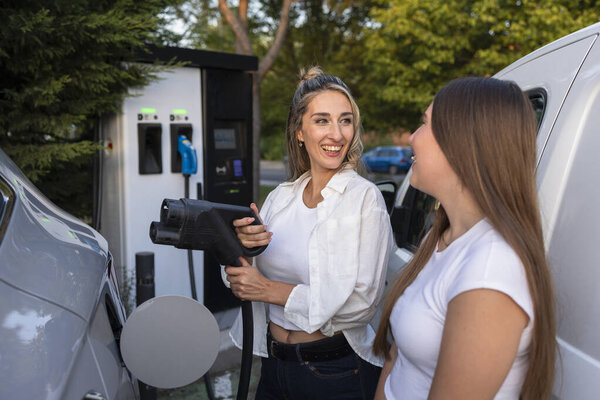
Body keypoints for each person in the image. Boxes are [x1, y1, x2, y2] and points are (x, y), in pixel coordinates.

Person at [373, 77, 557, 400]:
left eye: (424, 124)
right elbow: (396, 359)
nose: (413, 138)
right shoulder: (441, 236)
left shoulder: (491, 267)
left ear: (462, 145)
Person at [222, 66, 394, 400]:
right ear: (299, 131)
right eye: (322, 121)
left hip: (335, 372)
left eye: (345, 120)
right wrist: (240, 250)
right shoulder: (281, 198)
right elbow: (241, 282)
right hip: (273, 368)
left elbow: (362, 304)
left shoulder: (363, 199)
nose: (337, 134)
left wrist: (271, 290)